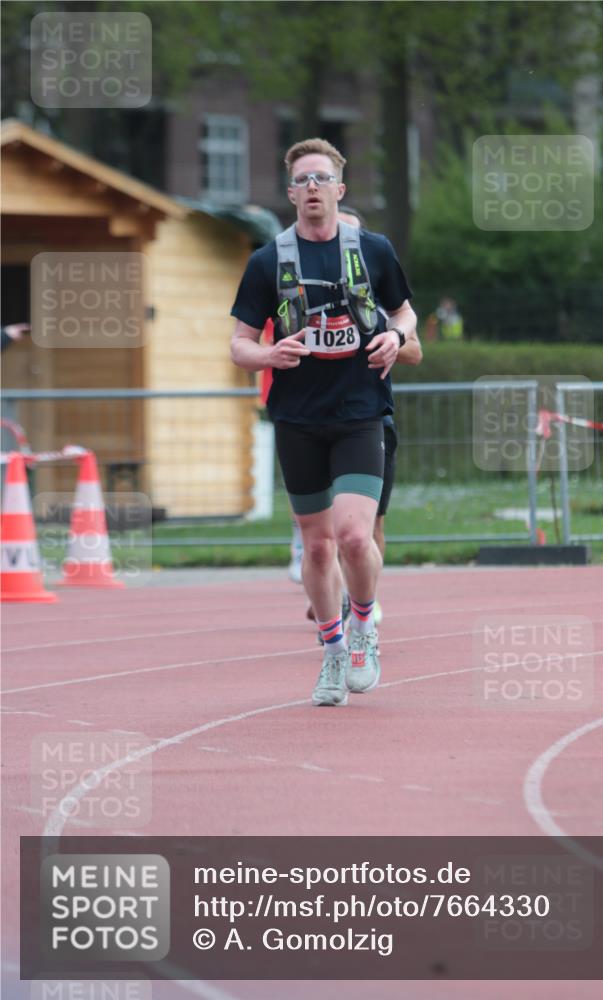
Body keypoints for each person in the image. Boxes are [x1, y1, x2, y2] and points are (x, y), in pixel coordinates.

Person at [230, 138, 417, 707]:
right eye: (302, 181)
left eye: (321, 179)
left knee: (355, 537)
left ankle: (364, 628)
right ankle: (333, 652)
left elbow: (405, 312)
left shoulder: (375, 250)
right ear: (290, 194)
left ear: (340, 188)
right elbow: (239, 343)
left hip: (361, 412)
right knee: (316, 549)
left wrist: (396, 334)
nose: (312, 188)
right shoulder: (268, 262)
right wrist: (267, 355)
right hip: (299, 418)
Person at [302, 206, 422, 630]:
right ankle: (330, 598)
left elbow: (414, 350)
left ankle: (362, 605)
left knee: (367, 528)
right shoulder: (303, 291)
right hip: (314, 421)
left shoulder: (378, 294)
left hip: (370, 421)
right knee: (325, 531)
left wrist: (381, 338)